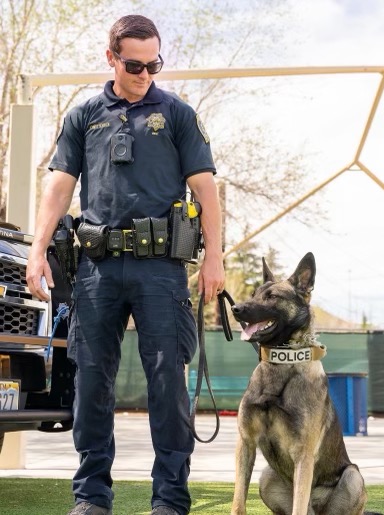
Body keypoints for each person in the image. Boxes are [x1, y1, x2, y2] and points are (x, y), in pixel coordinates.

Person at [26, 14, 225, 515]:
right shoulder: (84, 114)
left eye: (154, 63)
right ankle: (92, 496)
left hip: (161, 270)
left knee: (167, 384)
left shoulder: (177, 114)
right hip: (95, 269)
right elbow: (59, 185)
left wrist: (215, 258)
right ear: (111, 57)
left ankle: (170, 499)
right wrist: (36, 249)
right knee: (90, 380)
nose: (145, 73)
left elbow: (205, 189)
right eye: (134, 64)